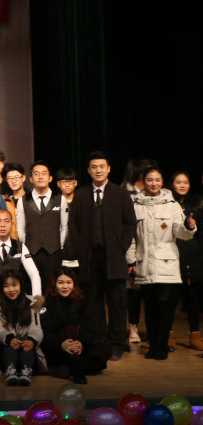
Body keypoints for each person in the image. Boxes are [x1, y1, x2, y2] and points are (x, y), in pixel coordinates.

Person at [66, 151, 137, 360]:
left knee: (117, 303)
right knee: (92, 303)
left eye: (102, 166)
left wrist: (121, 247)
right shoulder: (81, 194)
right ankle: (98, 343)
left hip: (114, 256)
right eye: (94, 167)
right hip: (90, 257)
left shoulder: (120, 194)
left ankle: (117, 344)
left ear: (109, 169)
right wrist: (80, 248)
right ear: (89, 170)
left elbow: (130, 223)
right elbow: (73, 224)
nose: (98, 170)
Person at [128, 167, 195, 360]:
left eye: (157, 180)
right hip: (144, 265)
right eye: (150, 180)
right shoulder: (135, 205)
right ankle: (153, 346)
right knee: (149, 308)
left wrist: (188, 227)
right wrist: (130, 260)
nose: (154, 183)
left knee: (165, 307)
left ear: (162, 181)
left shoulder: (171, 205)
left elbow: (181, 233)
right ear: (144, 181)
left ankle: (162, 346)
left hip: (167, 265)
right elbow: (131, 238)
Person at [40, 271, 109, 384]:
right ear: (54, 284)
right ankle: (77, 370)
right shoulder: (47, 305)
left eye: (69, 282)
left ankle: (69, 368)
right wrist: (62, 344)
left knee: (104, 348)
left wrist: (81, 343)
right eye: (61, 283)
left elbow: (90, 328)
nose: (65, 286)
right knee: (69, 330)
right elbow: (46, 333)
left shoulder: (81, 302)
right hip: (58, 349)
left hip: (79, 347)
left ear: (74, 284)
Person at [17, 161, 69, 291]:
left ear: (50, 178)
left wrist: (58, 245)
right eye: (36, 174)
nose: (40, 176)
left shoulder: (60, 199)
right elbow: (20, 229)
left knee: (52, 291)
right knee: (32, 289)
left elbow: (65, 227)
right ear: (31, 179)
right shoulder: (23, 200)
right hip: (31, 253)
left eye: (44, 173)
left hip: (53, 253)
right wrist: (27, 246)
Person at [0, 209, 42, 301]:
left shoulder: (20, 246)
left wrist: (37, 297)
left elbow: (34, 273)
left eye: (6, 221)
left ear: (12, 224)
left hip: (16, 300)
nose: (2, 225)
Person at [0, 270, 43, 386]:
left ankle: (26, 372)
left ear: (21, 285)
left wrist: (32, 340)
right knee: (10, 346)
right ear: (1, 288)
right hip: (6, 350)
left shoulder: (32, 303)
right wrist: (10, 339)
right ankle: (10, 371)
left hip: (27, 349)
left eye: (14, 285)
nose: (11, 290)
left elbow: (36, 327)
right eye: (6, 286)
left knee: (26, 346)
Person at [172, 172, 203, 350]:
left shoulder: (197, 202)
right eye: (178, 182)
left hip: (193, 254)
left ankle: (194, 336)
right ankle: (168, 335)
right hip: (173, 253)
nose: (182, 185)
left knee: (193, 298)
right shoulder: (169, 202)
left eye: (185, 182)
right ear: (172, 184)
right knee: (171, 298)